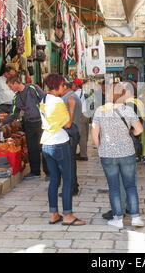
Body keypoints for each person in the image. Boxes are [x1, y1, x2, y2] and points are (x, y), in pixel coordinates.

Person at [91, 83, 145, 229]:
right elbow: (139, 129)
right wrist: (131, 133)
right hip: (127, 152)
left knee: (114, 187)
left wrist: (100, 148)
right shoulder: (127, 110)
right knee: (130, 186)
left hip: (108, 154)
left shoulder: (100, 111)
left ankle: (117, 219)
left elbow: (94, 134)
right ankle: (135, 217)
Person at [39, 74, 86, 226]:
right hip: (59, 142)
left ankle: (53, 214)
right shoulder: (58, 102)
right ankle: (67, 215)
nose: (64, 87)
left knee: (54, 179)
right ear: (56, 86)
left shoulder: (43, 100)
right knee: (67, 179)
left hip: (46, 143)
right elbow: (67, 124)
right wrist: (71, 108)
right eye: (62, 85)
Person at [0, 75, 48, 179]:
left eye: (10, 86)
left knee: (45, 147)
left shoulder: (33, 88)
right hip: (28, 123)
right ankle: (35, 172)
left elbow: (45, 100)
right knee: (32, 148)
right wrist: (2, 123)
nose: (10, 89)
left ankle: (48, 172)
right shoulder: (17, 97)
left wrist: (47, 118)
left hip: (41, 122)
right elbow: (13, 113)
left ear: (16, 83)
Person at [60, 78, 82, 196]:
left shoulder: (67, 98)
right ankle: (73, 185)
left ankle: (71, 188)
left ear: (64, 87)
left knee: (68, 163)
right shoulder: (73, 96)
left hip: (69, 132)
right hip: (73, 131)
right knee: (71, 162)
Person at [72, 78, 89, 161]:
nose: (72, 86)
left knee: (82, 135)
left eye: (73, 84)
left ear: (76, 85)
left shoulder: (75, 94)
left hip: (81, 114)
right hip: (87, 114)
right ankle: (83, 152)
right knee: (85, 134)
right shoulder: (86, 92)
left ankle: (83, 155)